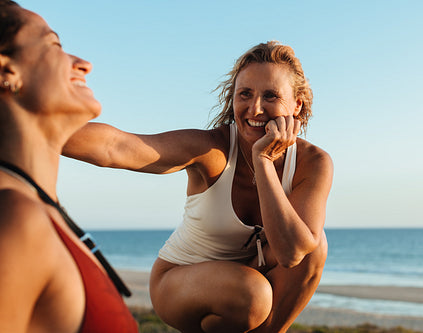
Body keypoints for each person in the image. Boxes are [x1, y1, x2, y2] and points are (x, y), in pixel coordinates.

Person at [64, 41, 333, 333]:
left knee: (313, 245)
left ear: (297, 105)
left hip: (250, 280)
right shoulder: (212, 150)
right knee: (253, 294)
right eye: (245, 94)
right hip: (180, 281)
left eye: (270, 96)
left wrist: (263, 162)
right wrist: (28, 125)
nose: (255, 108)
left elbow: (291, 253)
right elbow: (116, 147)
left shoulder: (313, 162)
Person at [0, 1, 138, 332]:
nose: (84, 64)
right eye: (55, 45)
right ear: (7, 72)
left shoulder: (37, 210)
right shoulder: (16, 217)